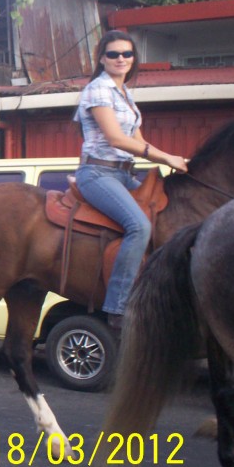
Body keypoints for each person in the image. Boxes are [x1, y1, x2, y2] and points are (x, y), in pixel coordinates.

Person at [73, 31, 188, 330]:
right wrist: (167, 158)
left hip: (124, 174)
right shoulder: (98, 89)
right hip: (97, 173)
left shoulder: (124, 93)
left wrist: (174, 161)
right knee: (139, 226)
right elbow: (116, 139)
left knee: (164, 215)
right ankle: (119, 307)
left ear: (134, 58)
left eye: (127, 53)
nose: (121, 58)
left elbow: (139, 141)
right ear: (102, 59)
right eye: (113, 54)